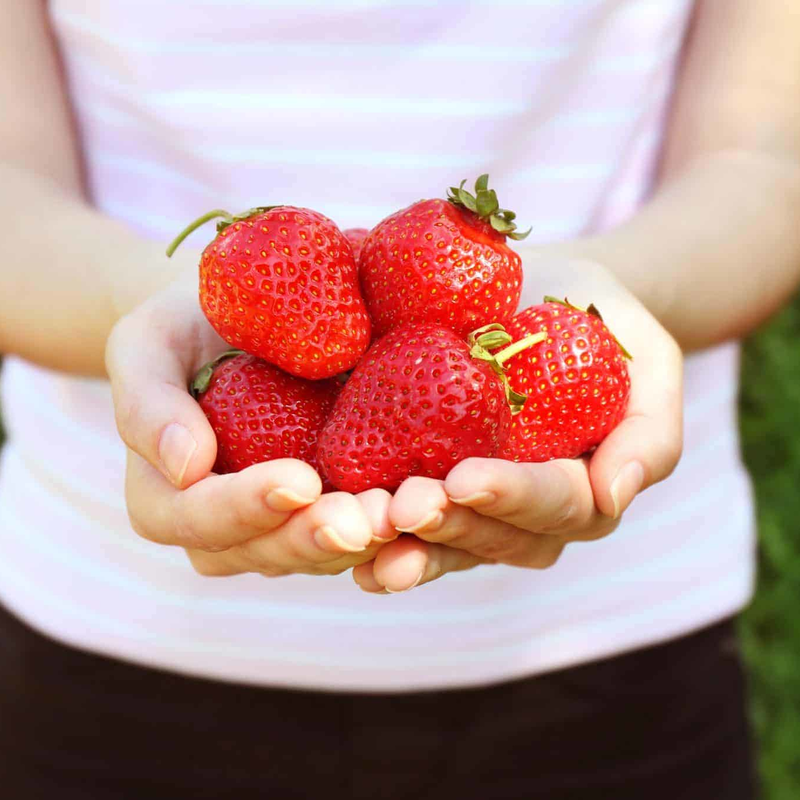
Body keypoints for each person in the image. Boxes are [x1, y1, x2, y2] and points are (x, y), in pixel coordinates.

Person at [0, 0, 796, 796]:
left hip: (616, 643)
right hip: (113, 639)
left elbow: (765, 159)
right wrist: (149, 307)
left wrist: (615, 294)